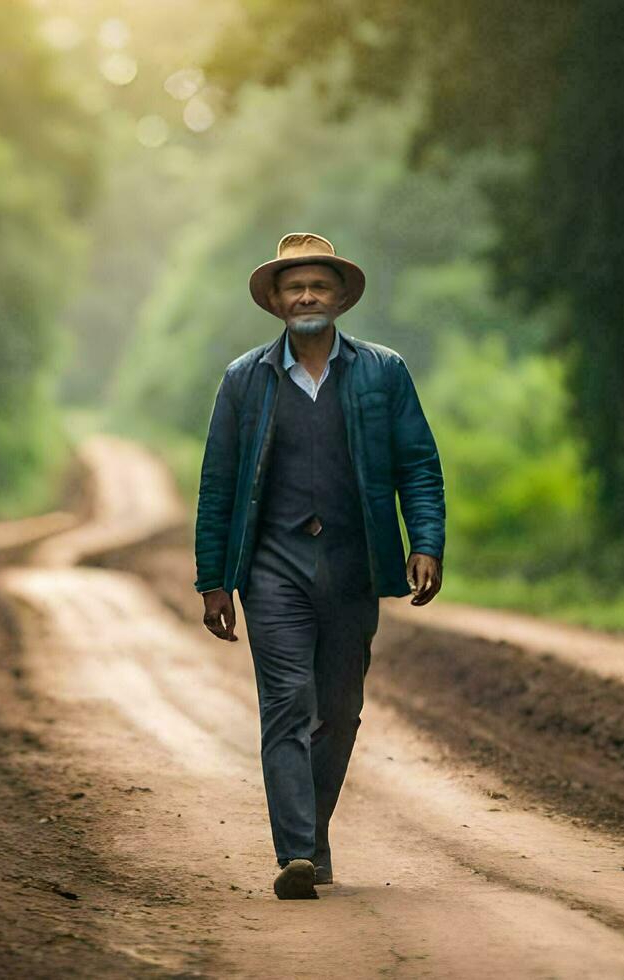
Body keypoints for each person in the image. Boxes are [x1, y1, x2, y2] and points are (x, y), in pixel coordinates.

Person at [194, 232, 446, 900]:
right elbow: (218, 485)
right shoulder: (245, 379)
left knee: (340, 708)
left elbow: (418, 464)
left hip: (354, 560)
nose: (306, 296)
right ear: (275, 301)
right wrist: (213, 580)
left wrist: (426, 541)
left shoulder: (383, 373)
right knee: (287, 702)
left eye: (318, 286)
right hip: (272, 566)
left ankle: (313, 835)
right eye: (293, 286)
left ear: (339, 298)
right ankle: (296, 853)